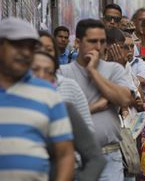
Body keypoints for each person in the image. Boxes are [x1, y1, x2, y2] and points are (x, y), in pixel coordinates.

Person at [58, 18, 134, 181]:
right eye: (92, 41)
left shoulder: (114, 69)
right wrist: (96, 105)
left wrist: (93, 72)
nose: (98, 47)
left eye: (102, 41)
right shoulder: (63, 73)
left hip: (109, 155)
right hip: (75, 157)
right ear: (78, 42)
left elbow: (125, 99)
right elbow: (61, 113)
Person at [0, 17, 75, 180]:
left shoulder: (47, 93)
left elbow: (65, 154)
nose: (25, 53)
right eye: (18, 45)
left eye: (30, 48)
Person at [31, 50, 106, 181]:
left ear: (54, 78)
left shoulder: (64, 110)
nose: (40, 75)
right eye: (35, 69)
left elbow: (96, 159)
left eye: (48, 71)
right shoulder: (8, 107)